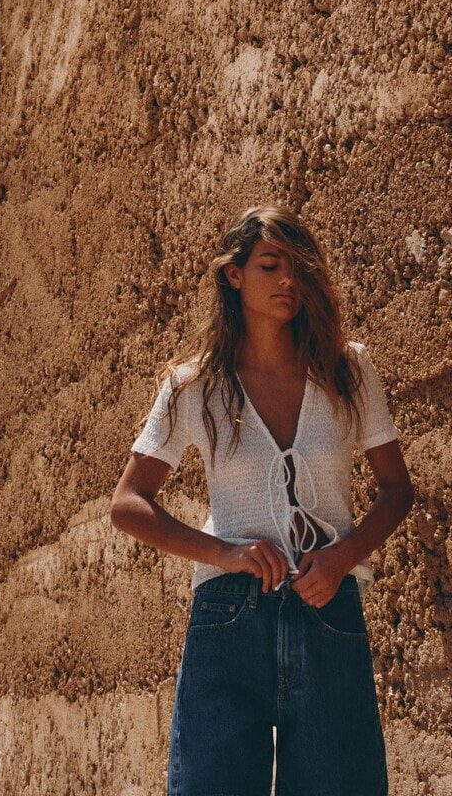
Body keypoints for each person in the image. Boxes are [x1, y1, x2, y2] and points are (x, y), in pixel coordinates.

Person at [110, 204, 414, 796]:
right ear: (234, 275)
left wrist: (342, 558)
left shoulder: (348, 370)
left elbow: (397, 488)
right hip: (229, 615)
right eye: (271, 265)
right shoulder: (193, 386)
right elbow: (128, 503)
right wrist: (225, 552)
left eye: (298, 269)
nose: (288, 282)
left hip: (329, 607)